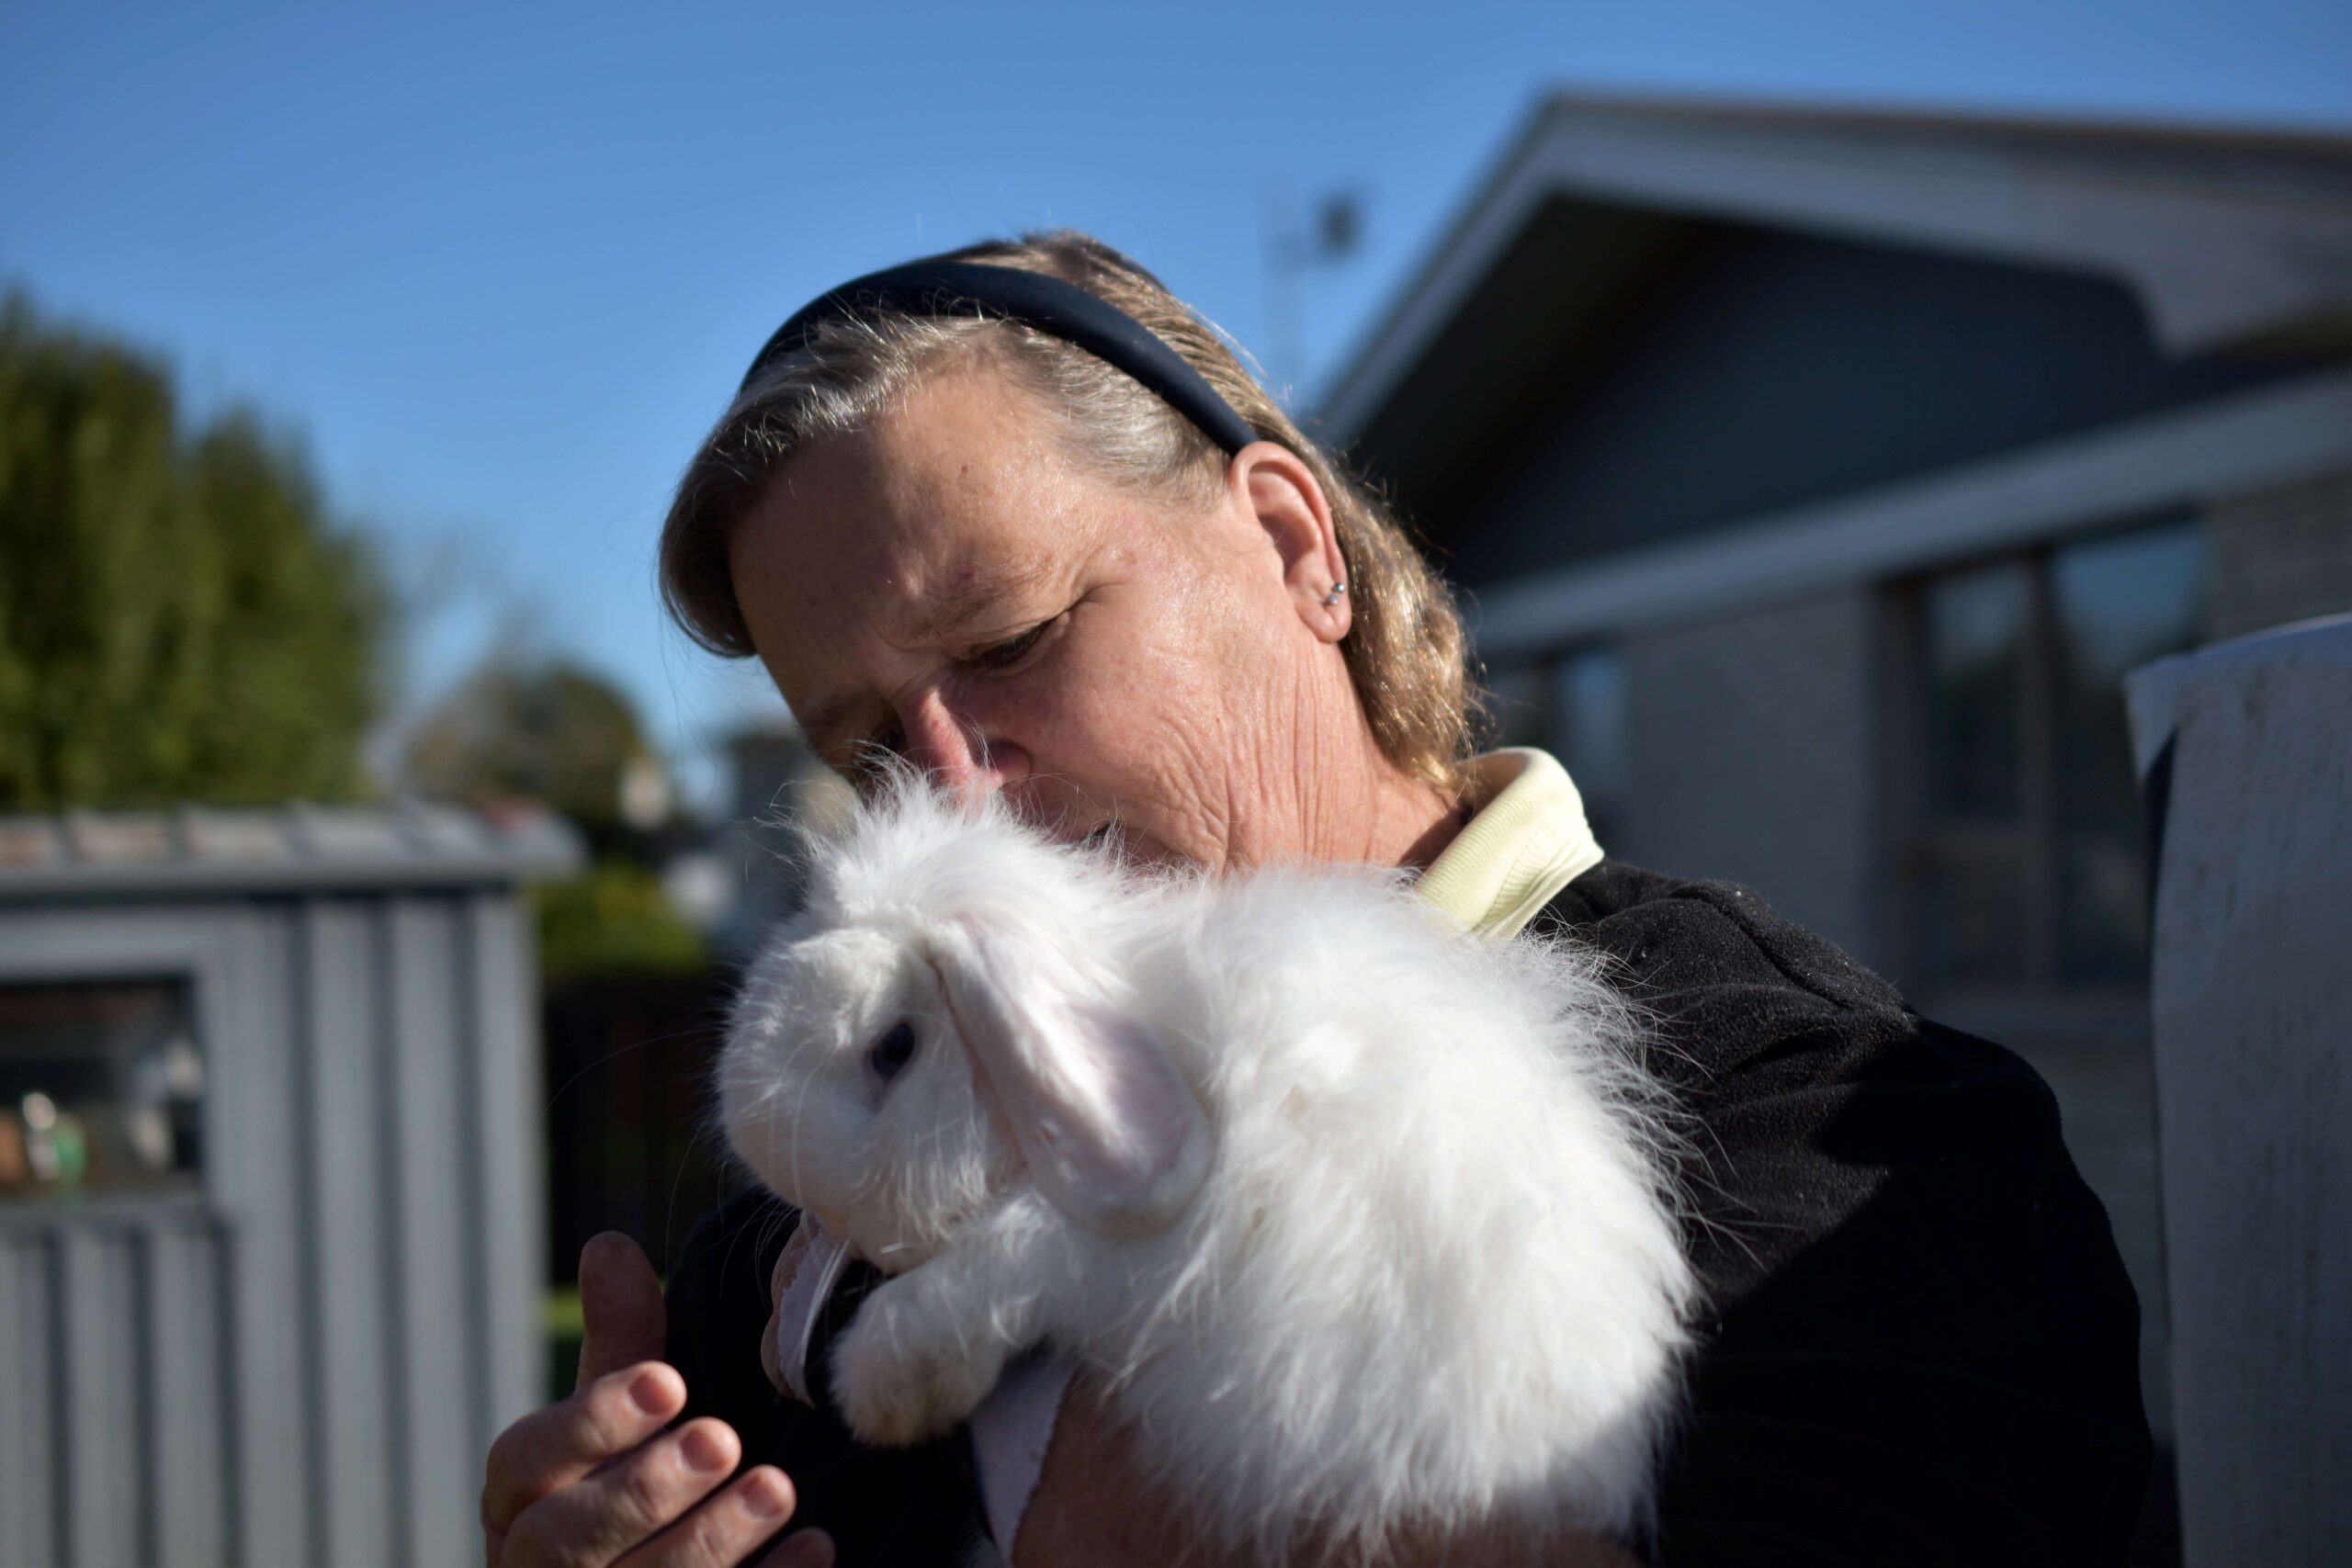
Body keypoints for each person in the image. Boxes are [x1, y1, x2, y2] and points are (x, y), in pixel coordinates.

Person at [480, 231, 2150, 1567]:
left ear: (1294, 545)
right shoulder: (812, 1252)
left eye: (1013, 643)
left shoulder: (1835, 1139)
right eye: (864, 746)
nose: (958, 789)